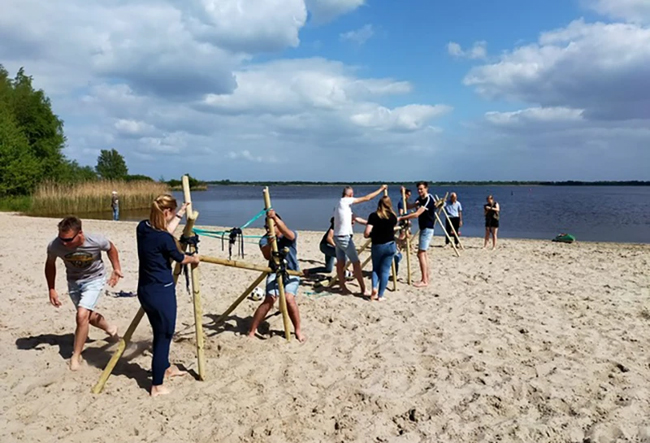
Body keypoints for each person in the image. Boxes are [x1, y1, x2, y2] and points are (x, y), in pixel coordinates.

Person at [136, 195, 199, 397]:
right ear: (165, 213)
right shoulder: (163, 239)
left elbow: (165, 232)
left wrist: (180, 212)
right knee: (164, 335)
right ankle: (157, 385)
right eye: (171, 212)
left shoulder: (143, 227)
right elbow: (180, 257)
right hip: (160, 292)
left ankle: (165, 368)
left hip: (145, 290)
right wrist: (195, 258)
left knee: (159, 332)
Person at [45, 216, 123, 370]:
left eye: (68, 240)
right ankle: (109, 328)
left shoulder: (95, 240)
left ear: (80, 233)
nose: (64, 243)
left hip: (95, 279)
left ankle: (76, 355)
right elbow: (50, 265)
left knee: (81, 315)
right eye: (61, 239)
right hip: (74, 281)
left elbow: (111, 248)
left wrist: (116, 268)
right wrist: (51, 289)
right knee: (87, 316)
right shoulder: (55, 245)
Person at [248, 210, 305, 342]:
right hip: (274, 271)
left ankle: (297, 330)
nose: (268, 229)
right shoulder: (264, 239)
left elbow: (290, 236)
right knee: (270, 299)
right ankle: (252, 330)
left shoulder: (289, 234)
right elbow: (267, 255)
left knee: (288, 298)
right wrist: (270, 243)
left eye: (271, 226)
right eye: (266, 227)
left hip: (291, 272)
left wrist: (275, 218)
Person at [332, 185, 387, 295]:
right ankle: (363, 289)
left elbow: (357, 219)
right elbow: (367, 198)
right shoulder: (345, 201)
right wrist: (381, 189)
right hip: (343, 237)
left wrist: (372, 223)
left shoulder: (341, 205)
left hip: (337, 236)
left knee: (340, 263)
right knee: (356, 263)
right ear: (350, 195)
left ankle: (343, 287)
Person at [399, 182, 438, 287]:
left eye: (421, 189)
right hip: (423, 228)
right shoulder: (420, 199)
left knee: (420, 253)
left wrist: (401, 218)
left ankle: (424, 280)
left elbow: (416, 214)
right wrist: (403, 194)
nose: (420, 191)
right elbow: (408, 205)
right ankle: (426, 278)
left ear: (426, 188)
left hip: (427, 229)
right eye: (418, 189)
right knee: (423, 254)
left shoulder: (429, 199)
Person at [364, 196, 398, 301]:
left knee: (376, 269)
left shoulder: (373, 216)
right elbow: (392, 230)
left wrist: (372, 234)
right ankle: (381, 295)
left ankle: (374, 287)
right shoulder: (393, 216)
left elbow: (366, 233)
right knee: (385, 271)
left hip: (378, 245)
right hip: (390, 245)